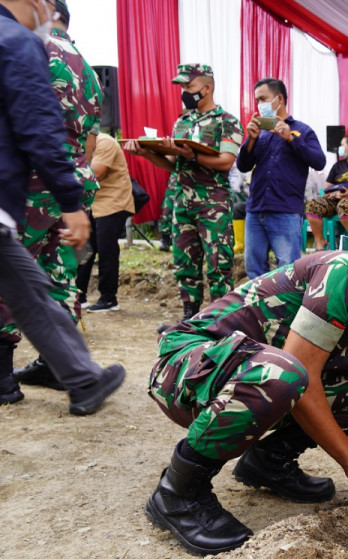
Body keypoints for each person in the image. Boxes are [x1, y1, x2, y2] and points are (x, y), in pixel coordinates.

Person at [144, 235, 348, 555]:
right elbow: (302, 370)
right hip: (189, 369)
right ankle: (178, 492)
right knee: (289, 373)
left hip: (254, 381)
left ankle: (268, 461)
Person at [0, 0, 124, 413]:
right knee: (54, 276)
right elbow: (88, 140)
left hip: (31, 182)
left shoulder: (29, 44)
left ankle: (12, 374)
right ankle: (67, 371)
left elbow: (34, 125)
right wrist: (71, 193)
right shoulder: (85, 67)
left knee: (20, 278)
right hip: (68, 177)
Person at [124, 64, 242, 321]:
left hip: (213, 204)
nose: (184, 93)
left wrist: (193, 154)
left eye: (189, 87)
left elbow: (225, 161)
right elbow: (172, 165)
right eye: (182, 88)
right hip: (183, 203)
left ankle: (222, 322)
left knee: (218, 265)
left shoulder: (227, 121)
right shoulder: (182, 121)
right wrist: (146, 152)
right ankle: (190, 317)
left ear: (207, 88)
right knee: (185, 264)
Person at [237, 78, 326, 280]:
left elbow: (319, 161)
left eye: (263, 99)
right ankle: (259, 310)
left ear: (279, 99)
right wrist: (250, 139)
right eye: (257, 100)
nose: (260, 105)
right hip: (256, 209)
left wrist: (291, 139)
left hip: (285, 211)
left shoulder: (303, 130)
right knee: (254, 270)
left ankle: (286, 312)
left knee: (288, 272)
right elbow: (243, 165)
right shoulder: (259, 132)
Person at [76, 132, 134, 312]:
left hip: (113, 203)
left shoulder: (105, 143)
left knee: (106, 250)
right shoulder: (79, 143)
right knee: (84, 249)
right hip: (94, 204)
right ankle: (79, 295)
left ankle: (109, 298)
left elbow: (96, 173)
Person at [304, 133, 348, 246]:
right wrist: (333, 194)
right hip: (338, 199)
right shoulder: (337, 166)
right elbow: (327, 187)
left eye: (342, 145)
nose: (340, 148)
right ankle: (320, 241)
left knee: (345, 204)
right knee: (313, 205)